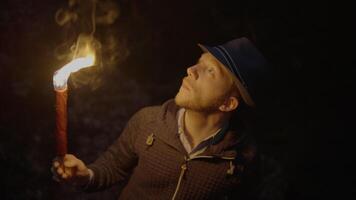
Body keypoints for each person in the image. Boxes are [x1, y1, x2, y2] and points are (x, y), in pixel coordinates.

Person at [52, 37, 270, 199]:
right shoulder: (148, 121)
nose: (191, 70)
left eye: (210, 71)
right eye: (198, 62)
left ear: (228, 103)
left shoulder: (243, 158)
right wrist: (86, 175)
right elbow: (113, 167)